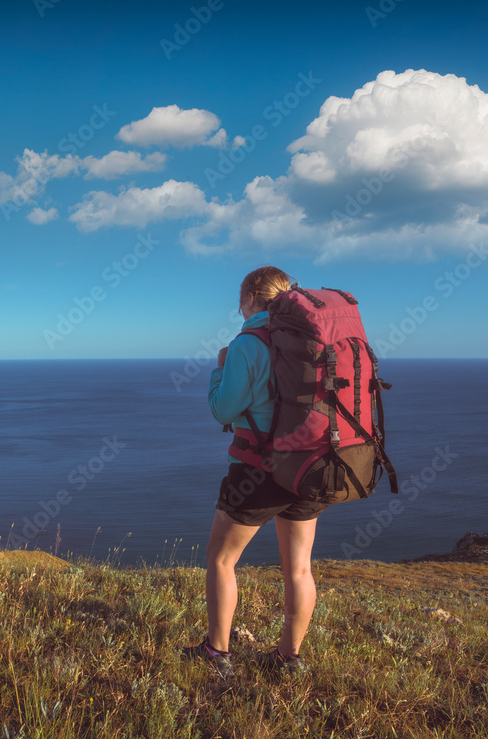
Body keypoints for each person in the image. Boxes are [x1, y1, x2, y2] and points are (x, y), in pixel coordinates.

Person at [182, 266, 324, 678]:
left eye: (239, 302)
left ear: (249, 297)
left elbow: (222, 410)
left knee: (221, 559)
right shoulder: (313, 338)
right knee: (298, 567)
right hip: (311, 464)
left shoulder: (247, 341)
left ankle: (217, 653)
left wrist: (219, 371)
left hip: (258, 469)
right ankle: (289, 658)